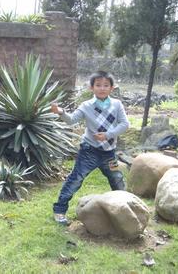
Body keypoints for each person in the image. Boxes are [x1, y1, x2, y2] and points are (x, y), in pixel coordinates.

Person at [51, 70, 129, 225]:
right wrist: (60, 112)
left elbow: (125, 124)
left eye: (106, 85)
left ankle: (126, 209)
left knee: (117, 179)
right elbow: (72, 120)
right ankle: (59, 210)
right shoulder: (86, 106)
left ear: (111, 88)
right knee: (75, 179)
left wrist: (107, 135)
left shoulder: (117, 105)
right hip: (89, 151)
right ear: (91, 88)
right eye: (98, 85)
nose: (102, 88)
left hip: (109, 153)